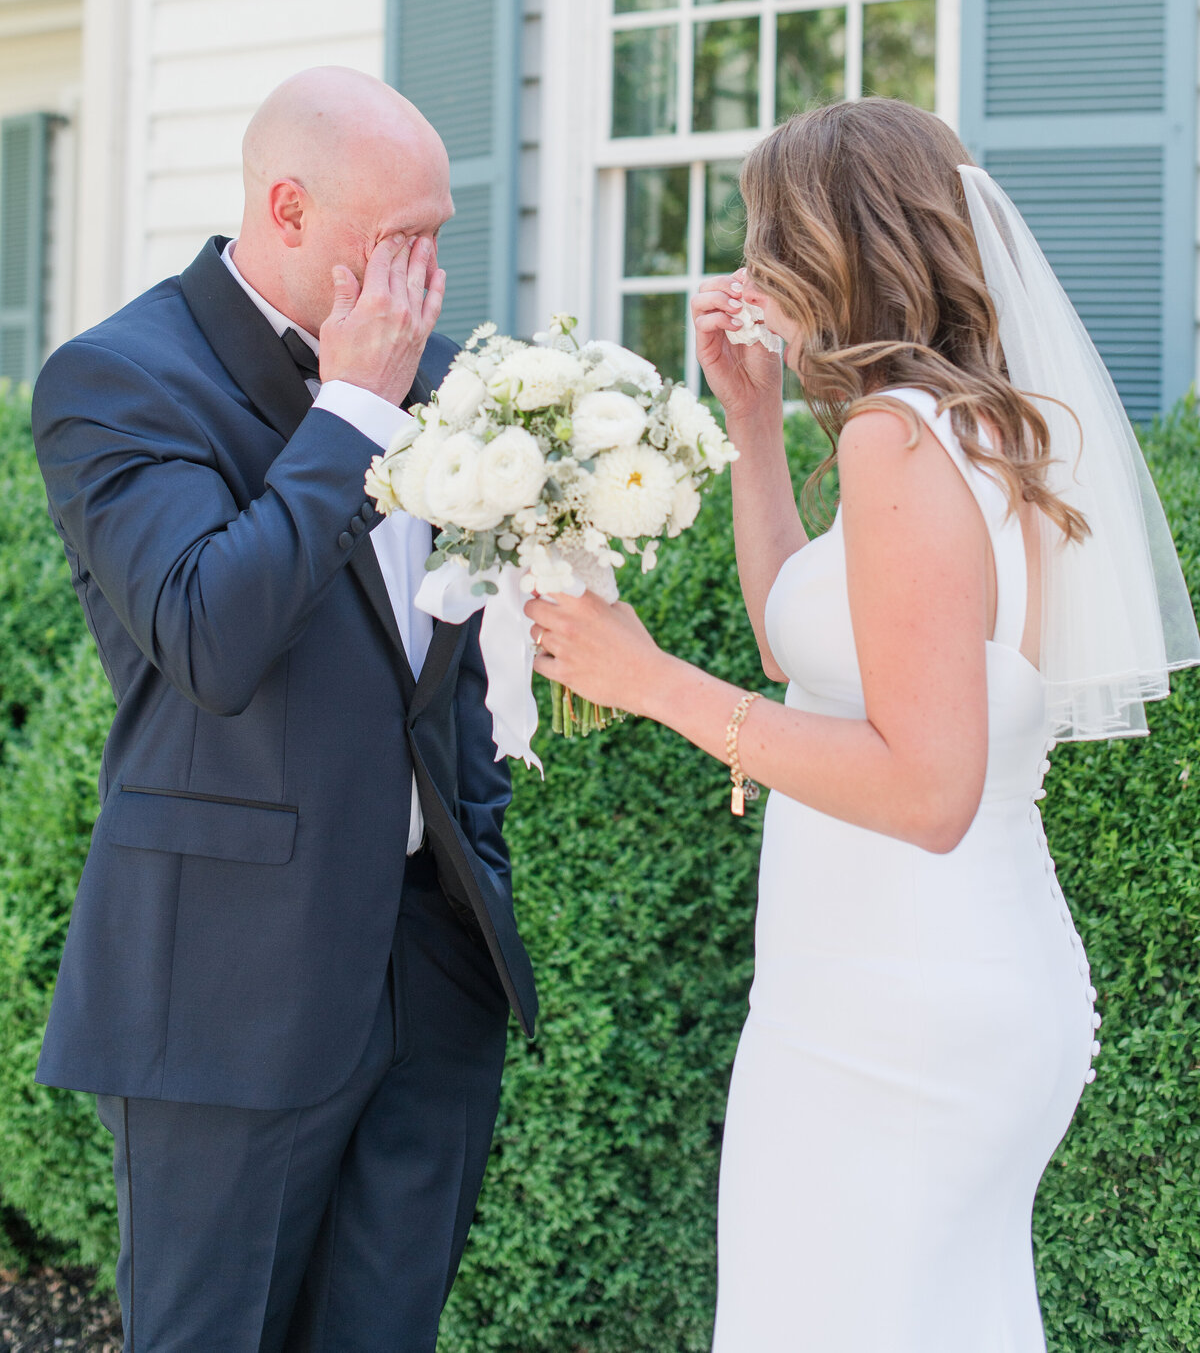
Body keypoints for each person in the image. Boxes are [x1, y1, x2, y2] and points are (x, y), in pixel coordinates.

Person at [525, 97, 1199, 1353]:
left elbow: (926, 787)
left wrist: (654, 680)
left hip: (901, 1013)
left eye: (765, 230)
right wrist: (753, 428)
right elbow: (805, 649)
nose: (751, 263)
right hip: (908, 985)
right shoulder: (979, 429)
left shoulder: (902, 441)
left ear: (830, 246)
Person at [32, 66, 536, 1353]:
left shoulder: (440, 374)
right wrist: (357, 408)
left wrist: (475, 852)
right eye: (398, 239)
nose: (425, 273)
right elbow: (210, 632)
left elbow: (447, 661)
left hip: (431, 977)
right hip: (229, 993)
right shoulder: (119, 382)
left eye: (440, 235)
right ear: (290, 208)